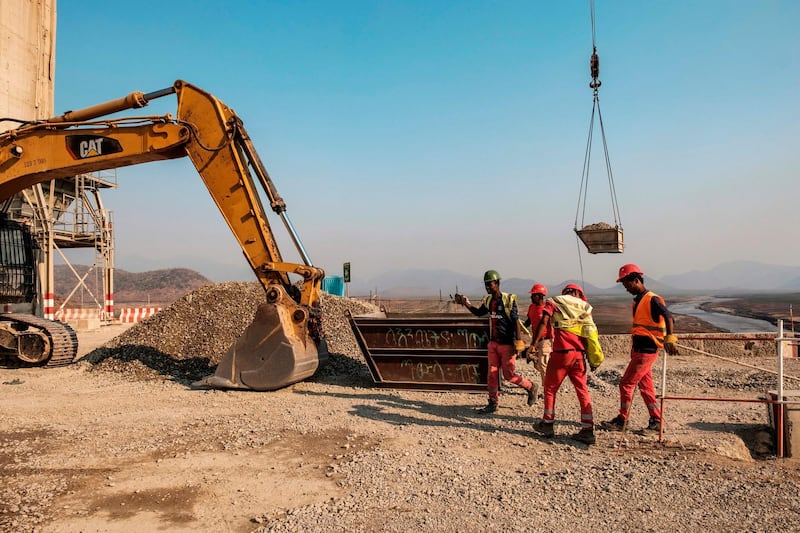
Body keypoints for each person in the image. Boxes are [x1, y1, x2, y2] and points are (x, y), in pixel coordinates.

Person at [601, 264, 679, 433]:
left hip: (646, 351)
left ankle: (622, 420)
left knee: (626, 384)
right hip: (640, 350)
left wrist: (670, 337)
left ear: (636, 280)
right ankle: (656, 419)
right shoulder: (639, 300)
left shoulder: (652, 299)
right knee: (646, 387)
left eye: (627, 284)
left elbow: (668, 316)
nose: (626, 288)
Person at [458, 270, 538, 413]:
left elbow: (515, 321)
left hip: (507, 344)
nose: (488, 287)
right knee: (492, 374)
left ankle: (530, 386)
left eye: (490, 284)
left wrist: (518, 342)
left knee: (509, 375)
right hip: (494, 343)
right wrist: (466, 304)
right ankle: (493, 402)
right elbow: (479, 313)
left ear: (497, 283)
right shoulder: (489, 301)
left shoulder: (508, 300)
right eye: (486, 285)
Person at [530, 283, 597, 445]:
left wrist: (533, 343)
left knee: (550, 388)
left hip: (562, 353)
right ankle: (587, 429)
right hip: (579, 355)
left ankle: (547, 423)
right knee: (582, 390)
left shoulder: (555, 302)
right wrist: (593, 356)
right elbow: (590, 333)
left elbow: (544, 321)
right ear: (578, 293)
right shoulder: (585, 307)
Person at [523, 284, 553, 392]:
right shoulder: (531, 308)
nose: (531, 297)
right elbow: (528, 321)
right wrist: (520, 326)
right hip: (535, 341)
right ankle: (550, 378)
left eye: (533, 295)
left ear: (540, 296)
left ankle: (548, 391)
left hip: (546, 340)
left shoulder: (547, 309)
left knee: (543, 364)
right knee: (537, 364)